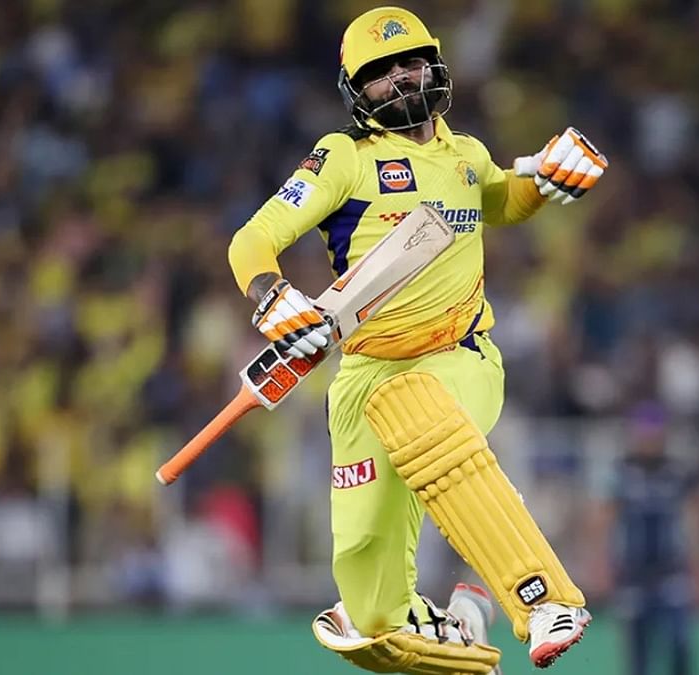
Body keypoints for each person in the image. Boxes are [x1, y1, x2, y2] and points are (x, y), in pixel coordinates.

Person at [226, 6, 608, 672]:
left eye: (412, 63)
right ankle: (458, 617)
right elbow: (252, 239)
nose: (402, 79)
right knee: (371, 599)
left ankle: (542, 597)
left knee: (421, 408)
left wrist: (546, 179)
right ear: (355, 90)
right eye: (382, 73)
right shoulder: (343, 158)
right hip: (364, 372)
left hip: (458, 354)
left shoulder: (468, 155)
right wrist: (272, 296)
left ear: (435, 66)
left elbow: (501, 198)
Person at [594, 402, 699, 675]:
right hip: (633, 574)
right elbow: (603, 519)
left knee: (680, 645)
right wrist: (601, 564)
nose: (649, 442)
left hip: (671, 572)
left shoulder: (677, 472)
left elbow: (695, 517)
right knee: (637, 653)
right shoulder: (621, 473)